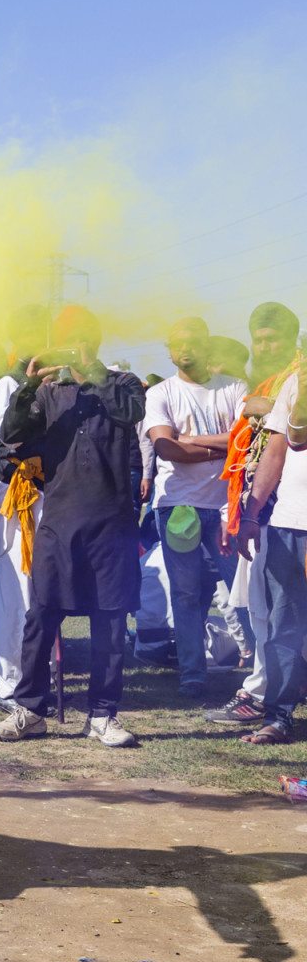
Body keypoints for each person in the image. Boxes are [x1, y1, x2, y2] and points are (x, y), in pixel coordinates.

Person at [0, 306, 144, 747]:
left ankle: (102, 714)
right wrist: (26, 387)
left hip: (112, 523)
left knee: (111, 621)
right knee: (41, 615)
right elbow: (10, 431)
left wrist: (89, 373)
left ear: (94, 342)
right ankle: (30, 711)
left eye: (79, 338)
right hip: (58, 520)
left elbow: (131, 413)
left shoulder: (122, 383)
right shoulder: (46, 391)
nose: (71, 346)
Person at [206, 302, 301, 724]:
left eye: (273, 338)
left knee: (274, 615)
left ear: (293, 338)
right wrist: (247, 513)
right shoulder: (283, 382)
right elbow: (267, 449)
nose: (264, 346)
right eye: (258, 339)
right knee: (267, 613)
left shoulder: (291, 378)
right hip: (277, 516)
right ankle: (269, 702)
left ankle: (264, 696)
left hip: (286, 515)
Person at [144, 318, 247, 699]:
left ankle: (261, 667)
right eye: (177, 342)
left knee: (242, 590)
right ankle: (192, 674)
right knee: (186, 594)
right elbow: (166, 448)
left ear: (207, 345)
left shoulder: (235, 388)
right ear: (169, 350)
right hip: (178, 508)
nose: (185, 349)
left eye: (193, 341)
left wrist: (191, 442)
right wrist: (224, 446)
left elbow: (247, 439)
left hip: (228, 507)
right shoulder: (161, 393)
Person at [236, 364, 307, 744]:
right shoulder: (299, 380)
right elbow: (277, 449)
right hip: (289, 525)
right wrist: (251, 513)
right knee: (283, 627)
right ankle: (279, 717)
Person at [0, 305, 48, 712]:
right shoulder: (9, 383)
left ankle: (35, 678)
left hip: (50, 494)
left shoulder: (57, 381)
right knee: (15, 593)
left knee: (41, 592)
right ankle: (6, 685)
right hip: (17, 495)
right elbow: (15, 437)